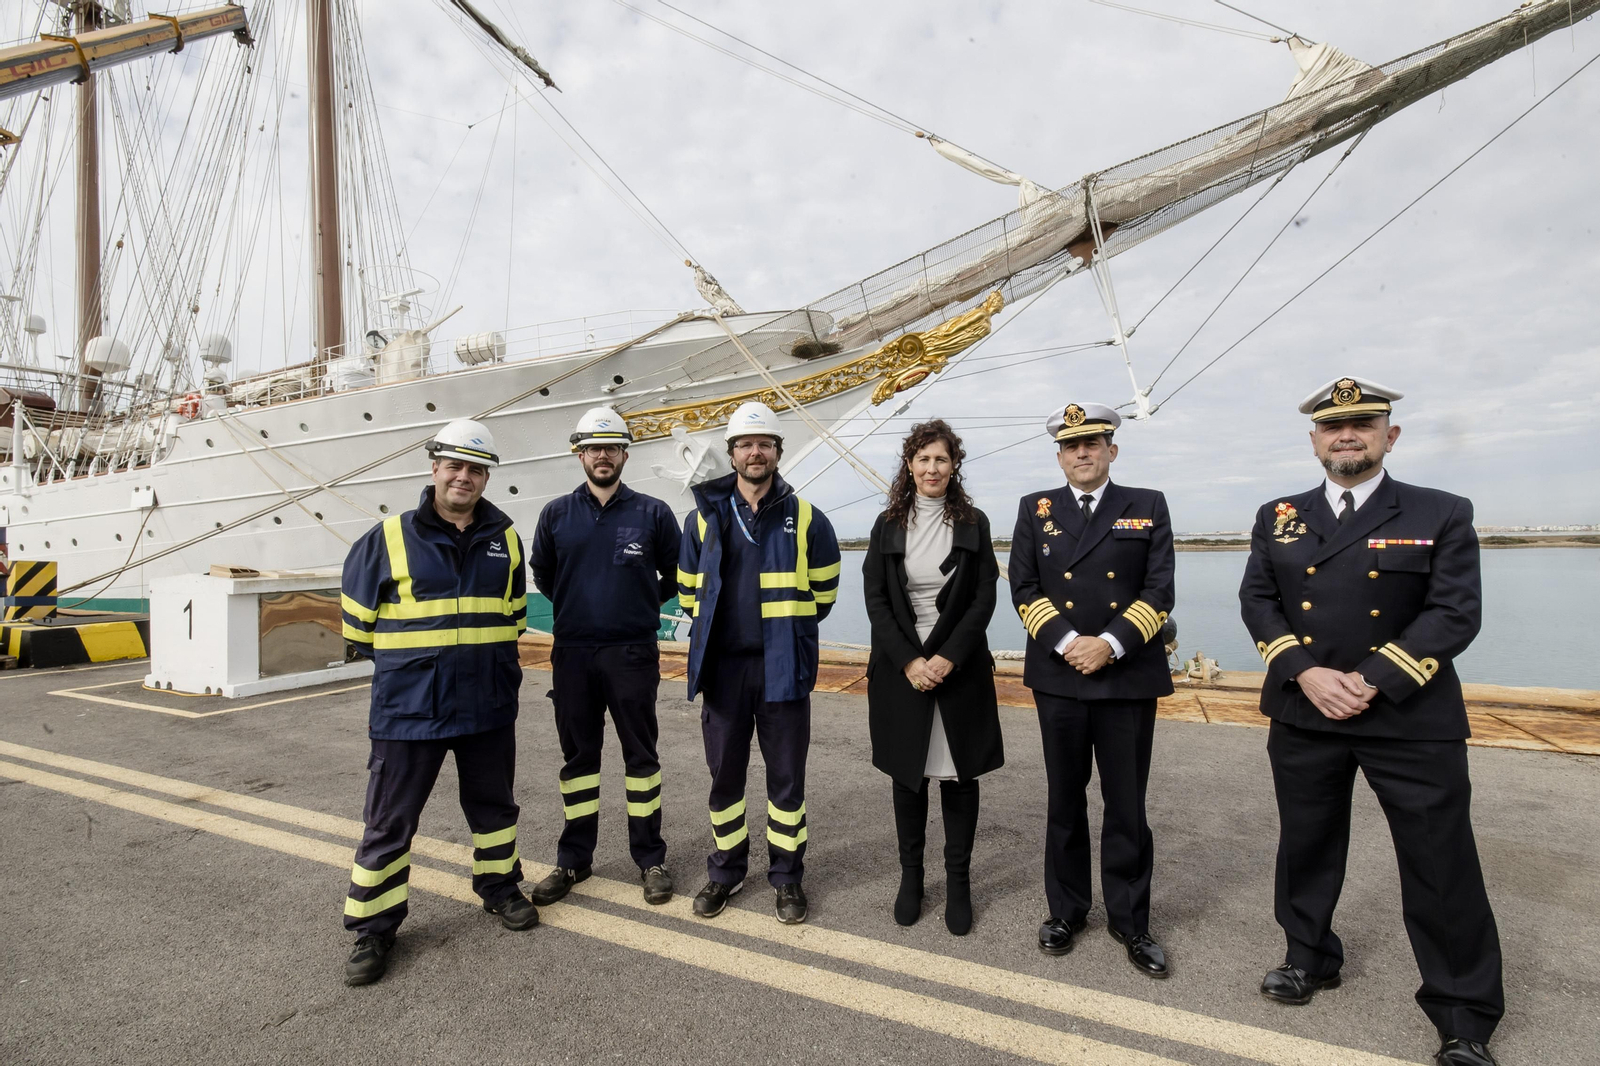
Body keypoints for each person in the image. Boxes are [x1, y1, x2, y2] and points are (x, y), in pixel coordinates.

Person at [1238, 377, 1502, 1066]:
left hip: (1409, 715)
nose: (1346, 434)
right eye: (1333, 426)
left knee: (1440, 864)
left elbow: (1454, 612)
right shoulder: (1279, 514)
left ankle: (1462, 1014)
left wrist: (1369, 681)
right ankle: (1309, 958)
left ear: (1391, 435)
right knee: (1306, 845)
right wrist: (1304, 671)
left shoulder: (1440, 511)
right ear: (1315, 440)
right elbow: (1259, 601)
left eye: (1362, 422)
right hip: (1306, 708)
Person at [338, 418, 537, 986]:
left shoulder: (508, 539)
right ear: (434, 468)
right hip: (409, 710)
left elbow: (514, 619)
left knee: (496, 812)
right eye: (456, 466)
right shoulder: (387, 537)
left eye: (477, 469)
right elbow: (358, 627)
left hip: (487, 705)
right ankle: (374, 929)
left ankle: (500, 889)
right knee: (390, 821)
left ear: (486, 477)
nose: (465, 478)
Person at [1009, 402, 1175, 977]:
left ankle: (1131, 921)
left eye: (1093, 443)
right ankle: (1067, 911)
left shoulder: (1146, 504)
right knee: (1064, 799)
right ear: (1059, 455)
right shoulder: (1037, 509)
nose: (1082, 452)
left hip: (1126, 674)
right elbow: (1025, 589)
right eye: (1072, 445)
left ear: (1112, 450)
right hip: (1060, 676)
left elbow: (1159, 591)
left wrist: (1108, 642)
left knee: (1127, 804)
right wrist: (1068, 642)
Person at [676, 401, 841, 925]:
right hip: (724, 672)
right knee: (725, 778)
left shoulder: (809, 518)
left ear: (777, 452)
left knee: (786, 782)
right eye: (745, 444)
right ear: (731, 454)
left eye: (764, 444)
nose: (755, 452)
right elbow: (686, 595)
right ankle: (725, 872)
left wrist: (782, 632)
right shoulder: (702, 519)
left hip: (782, 669)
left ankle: (788, 879)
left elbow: (825, 592)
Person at [527, 407, 681, 907]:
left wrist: (637, 606)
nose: (602, 456)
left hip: (632, 652)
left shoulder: (653, 512)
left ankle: (650, 859)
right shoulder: (555, 514)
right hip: (572, 654)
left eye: (611, 447)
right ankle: (574, 860)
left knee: (642, 758)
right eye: (594, 448)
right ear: (580, 454)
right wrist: (581, 607)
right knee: (579, 761)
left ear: (624, 455)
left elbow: (675, 575)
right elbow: (546, 576)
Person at [861, 420, 1001, 936]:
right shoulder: (886, 524)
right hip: (903, 666)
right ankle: (912, 878)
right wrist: (908, 660)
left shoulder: (974, 522)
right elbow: (876, 598)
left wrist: (948, 657)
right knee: (910, 772)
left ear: (954, 465)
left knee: (960, 774)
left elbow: (984, 596)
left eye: (941, 459)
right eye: (922, 459)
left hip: (957, 665)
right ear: (909, 466)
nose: (932, 468)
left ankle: (959, 882)